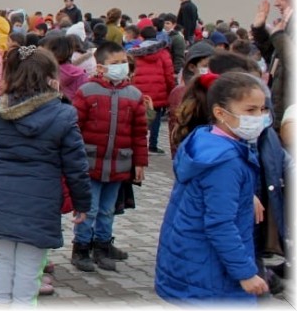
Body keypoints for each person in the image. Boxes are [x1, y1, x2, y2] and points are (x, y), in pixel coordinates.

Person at [0, 46, 92, 305]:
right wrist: (82, 203)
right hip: (40, 202)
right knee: (29, 270)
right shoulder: (63, 114)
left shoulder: (0, 111)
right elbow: (76, 165)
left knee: (5, 261)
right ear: (49, 77)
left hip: (3, 197)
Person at [155, 72, 270, 302]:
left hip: (191, 260)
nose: (259, 117)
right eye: (250, 110)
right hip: (213, 273)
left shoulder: (205, 138)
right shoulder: (226, 160)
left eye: (262, 109)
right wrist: (245, 273)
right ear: (220, 112)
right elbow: (220, 224)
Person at [70, 41, 148, 273]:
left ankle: (102, 246)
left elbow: (139, 132)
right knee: (89, 208)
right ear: (101, 67)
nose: (121, 67)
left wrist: (140, 162)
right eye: (115, 63)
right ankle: (81, 247)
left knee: (108, 209)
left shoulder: (133, 95)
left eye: (124, 62)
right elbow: (74, 127)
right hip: (90, 162)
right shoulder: (86, 91)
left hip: (119, 162)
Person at [127, 26, 175, 155]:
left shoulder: (135, 52)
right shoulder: (164, 53)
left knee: (136, 118)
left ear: (141, 37)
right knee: (156, 120)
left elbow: (130, 73)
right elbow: (169, 75)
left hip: (138, 91)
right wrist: (170, 91)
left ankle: (134, 142)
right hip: (158, 91)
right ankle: (153, 145)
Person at [252, 0, 291, 130]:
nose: (276, 3)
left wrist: (279, 36)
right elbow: (276, 61)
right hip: (280, 117)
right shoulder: (287, 27)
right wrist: (259, 30)